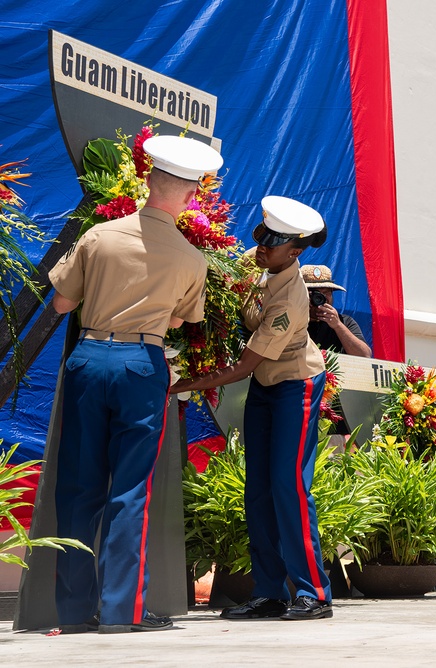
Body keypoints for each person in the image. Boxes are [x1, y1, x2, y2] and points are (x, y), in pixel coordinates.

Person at [49, 135, 221, 633]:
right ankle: (123, 611)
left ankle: (74, 612)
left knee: (78, 488)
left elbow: (61, 305)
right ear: (190, 197)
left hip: (88, 357)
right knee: (130, 490)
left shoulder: (99, 237)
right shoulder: (192, 259)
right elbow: (184, 320)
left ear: (147, 180)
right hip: (141, 365)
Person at [170, 196, 333, 621]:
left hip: (295, 385)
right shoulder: (255, 262)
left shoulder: (290, 301)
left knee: (288, 485)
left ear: (295, 251)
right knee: (257, 488)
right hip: (266, 384)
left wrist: (182, 383)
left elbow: (243, 367)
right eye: (261, 235)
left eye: (273, 242)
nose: (261, 247)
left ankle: (313, 593)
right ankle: (269, 593)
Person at [301, 264, 372, 358]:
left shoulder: (344, 321)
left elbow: (364, 355)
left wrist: (337, 325)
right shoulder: (293, 320)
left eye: (326, 293)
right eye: (315, 294)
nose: (322, 298)